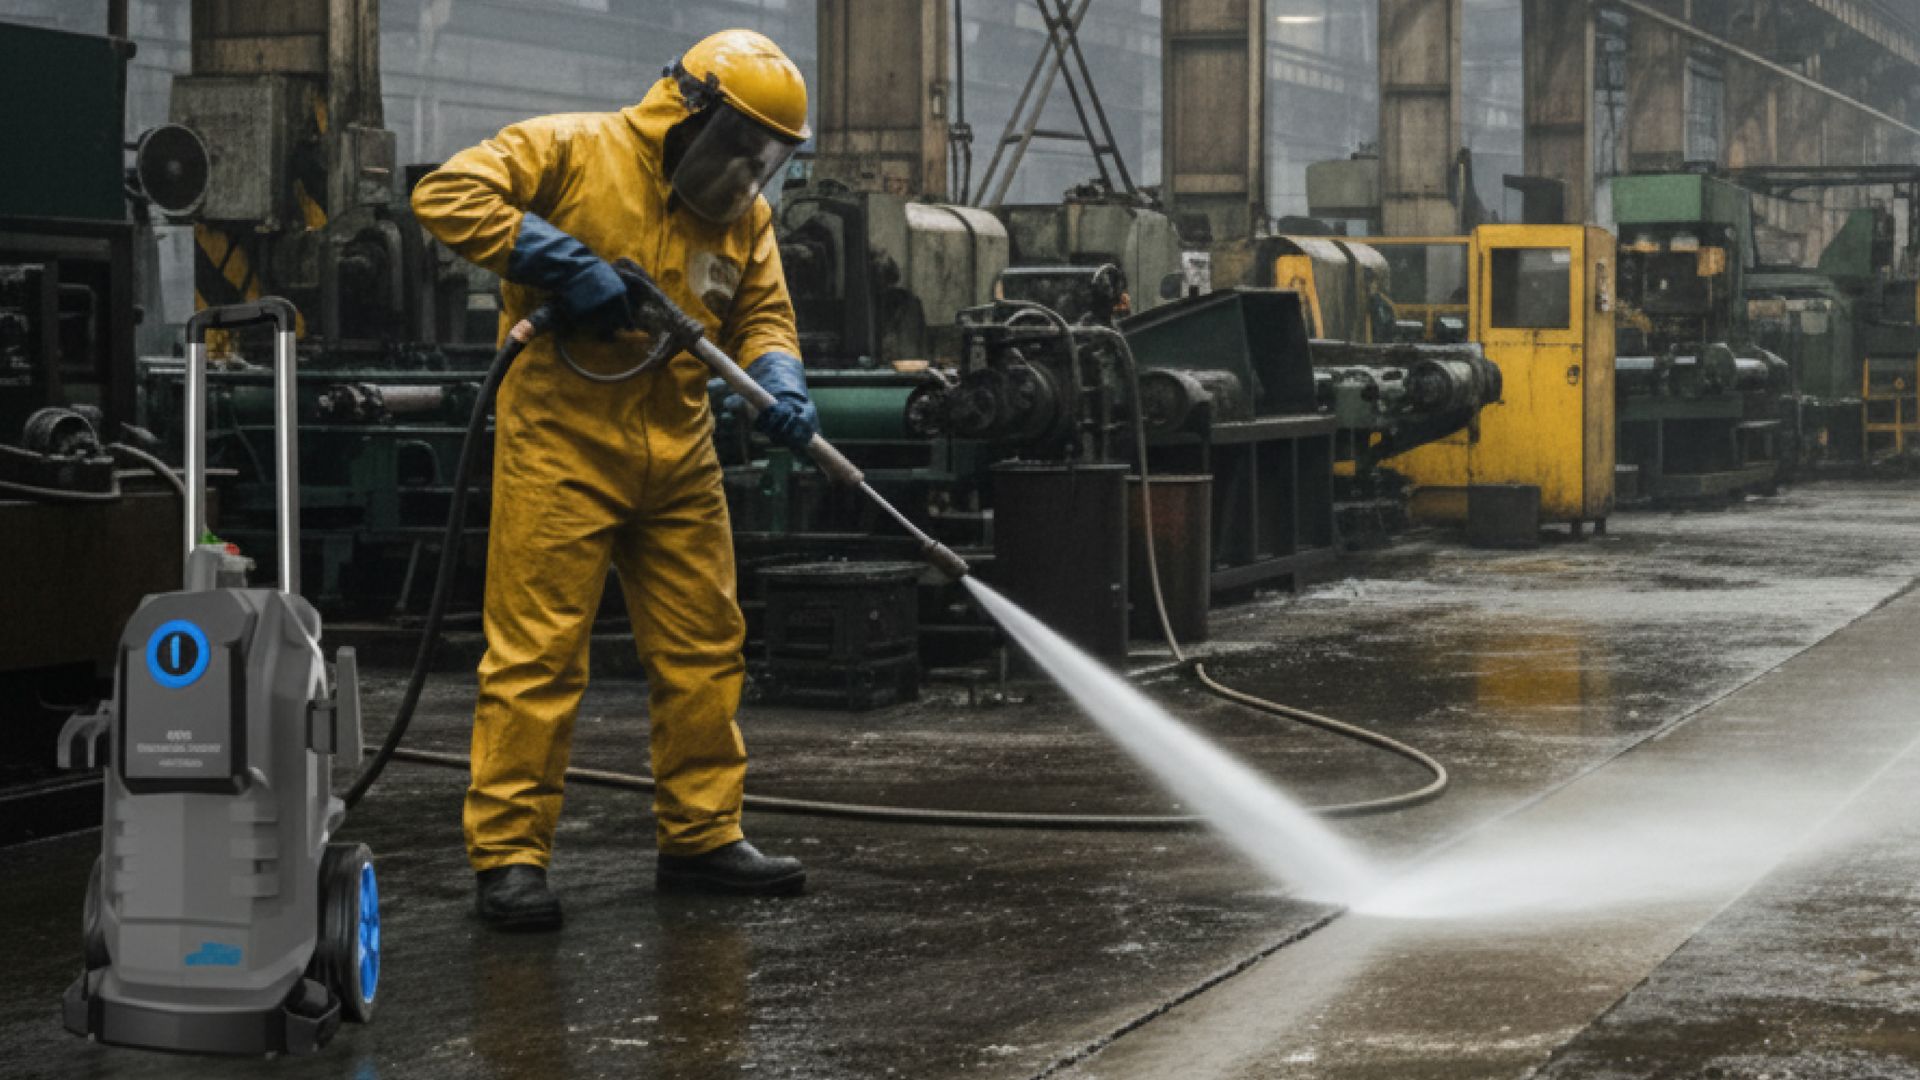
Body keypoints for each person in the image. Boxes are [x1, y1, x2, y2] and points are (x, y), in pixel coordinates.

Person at [411, 28, 818, 929]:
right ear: (688, 109)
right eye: (738, 142)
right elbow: (446, 194)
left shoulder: (743, 217)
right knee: (539, 654)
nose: (748, 167)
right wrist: (562, 262)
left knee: (706, 647)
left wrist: (780, 377)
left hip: (679, 451)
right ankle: (510, 856)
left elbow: (764, 317)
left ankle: (703, 834)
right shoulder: (569, 148)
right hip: (562, 440)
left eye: (765, 154)